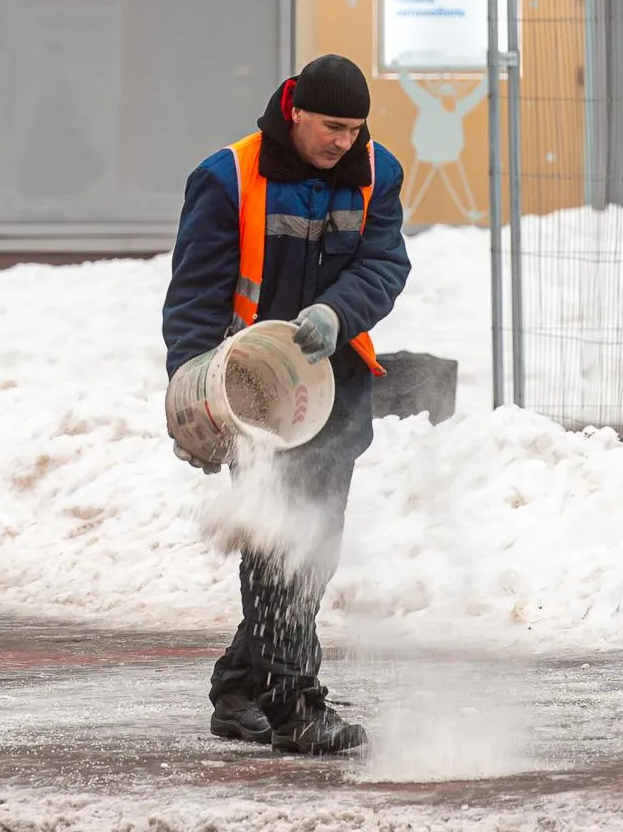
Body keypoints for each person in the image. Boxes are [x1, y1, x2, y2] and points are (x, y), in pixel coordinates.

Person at [161, 53, 411, 755]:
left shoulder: (375, 173)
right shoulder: (226, 177)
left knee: (314, 545)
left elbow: (385, 264)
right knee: (280, 543)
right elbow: (194, 295)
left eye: (356, 129)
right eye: (332, 127)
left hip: (332, 386)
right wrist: (192, 391)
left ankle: (242, 686)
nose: (344, 142)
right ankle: (295, 704)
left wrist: (338, 309)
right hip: (246, 392)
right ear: (295, 111)